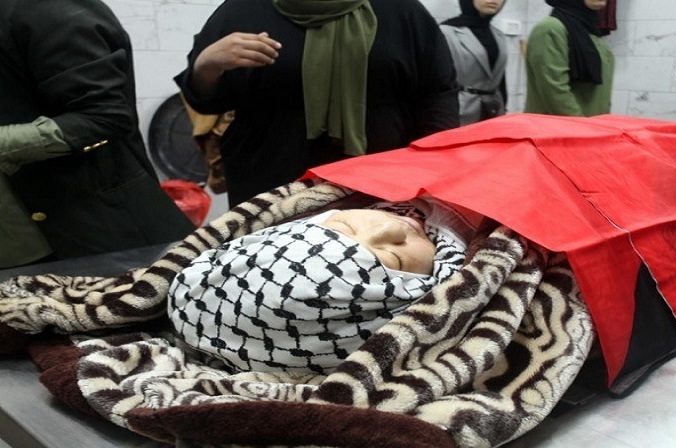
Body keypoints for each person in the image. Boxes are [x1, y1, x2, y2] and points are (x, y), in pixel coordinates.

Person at [175, 0, 460, 208]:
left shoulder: (401, 10)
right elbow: (206, 101)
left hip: (381, 181)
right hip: (270, 182)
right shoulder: (243, 10)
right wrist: (206, 65)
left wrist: (433, 166)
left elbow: (437, 92)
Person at [168, 196, 480, 374]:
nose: (392, 226)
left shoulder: (362, 194)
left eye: (343, 225)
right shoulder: (477, 260)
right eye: (394, 260)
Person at [0, 0, 196, 269]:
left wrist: (6, 144)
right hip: (18, 244)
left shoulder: (46, 9)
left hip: (96, 237)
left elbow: (105, 116)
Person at [524, 0, 614, 117]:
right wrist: (581, 125)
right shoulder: (550, 28)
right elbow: (555, 91)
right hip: (560, 126)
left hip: (590, 124)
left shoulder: (591, 33)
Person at [440, 0, 509, 125]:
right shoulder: (447, 32)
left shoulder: (499, 35)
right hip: (460, 113)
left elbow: (500, 81)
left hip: (494, 112)